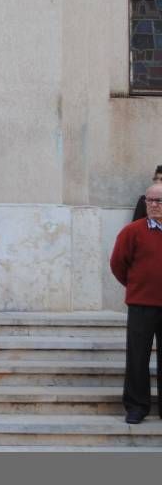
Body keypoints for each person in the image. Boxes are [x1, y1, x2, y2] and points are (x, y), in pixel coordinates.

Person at [110, 182, 162, 425]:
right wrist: (136, 287)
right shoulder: (132, 231)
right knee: (137, 358)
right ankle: (136, 406)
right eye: (149, 200)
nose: (152, 204)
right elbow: (118, 265)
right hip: (141, 304)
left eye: (158, 201)